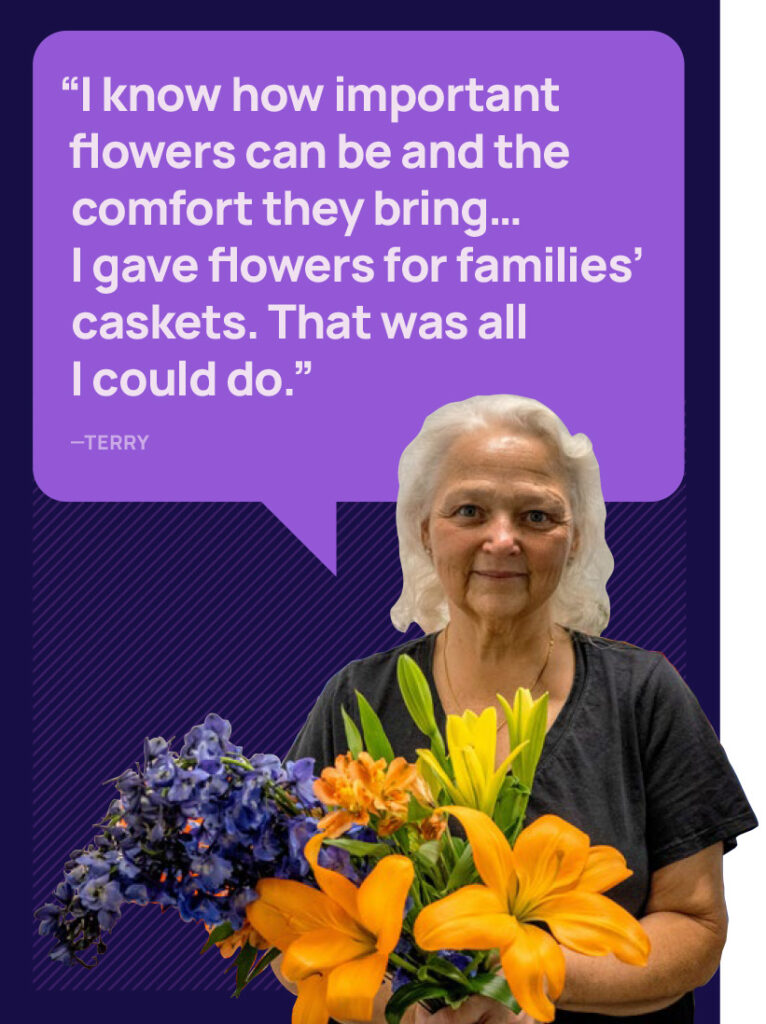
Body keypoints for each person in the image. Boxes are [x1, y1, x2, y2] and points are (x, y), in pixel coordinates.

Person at [285, 394, 757, 1023]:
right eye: (470, 510)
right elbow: (295, 917)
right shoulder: (358, 698)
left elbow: (696, 928)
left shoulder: (643, 694)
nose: (502, 540)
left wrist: (521, 983)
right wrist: (412, 1009)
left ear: (575, 540)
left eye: (537, 516)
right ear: (424, 530)